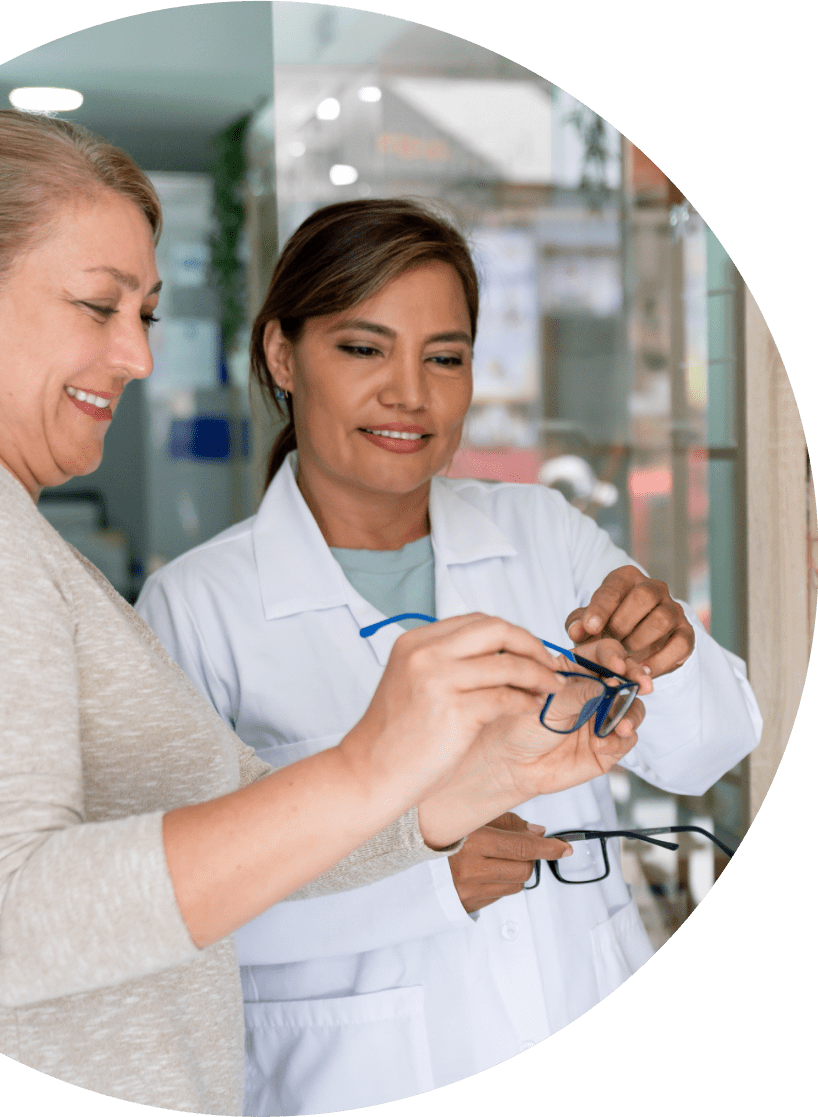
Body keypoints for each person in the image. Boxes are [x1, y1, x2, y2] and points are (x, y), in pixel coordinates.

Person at [0, 115, 646, 1114]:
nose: (136, 356)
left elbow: (245, 841)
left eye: (144, 312)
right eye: (99, 306)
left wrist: (482, 772)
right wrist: (367, 760)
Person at [136, 198, 762, 1114]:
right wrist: (426, 885)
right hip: (348, 1073)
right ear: (281, 354)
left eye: (445, 356)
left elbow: (712, 746)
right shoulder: (197, 608)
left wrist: (666, 651)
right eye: (362, 348)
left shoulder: (541, 533)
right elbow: (168, 912)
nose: (409, 394)